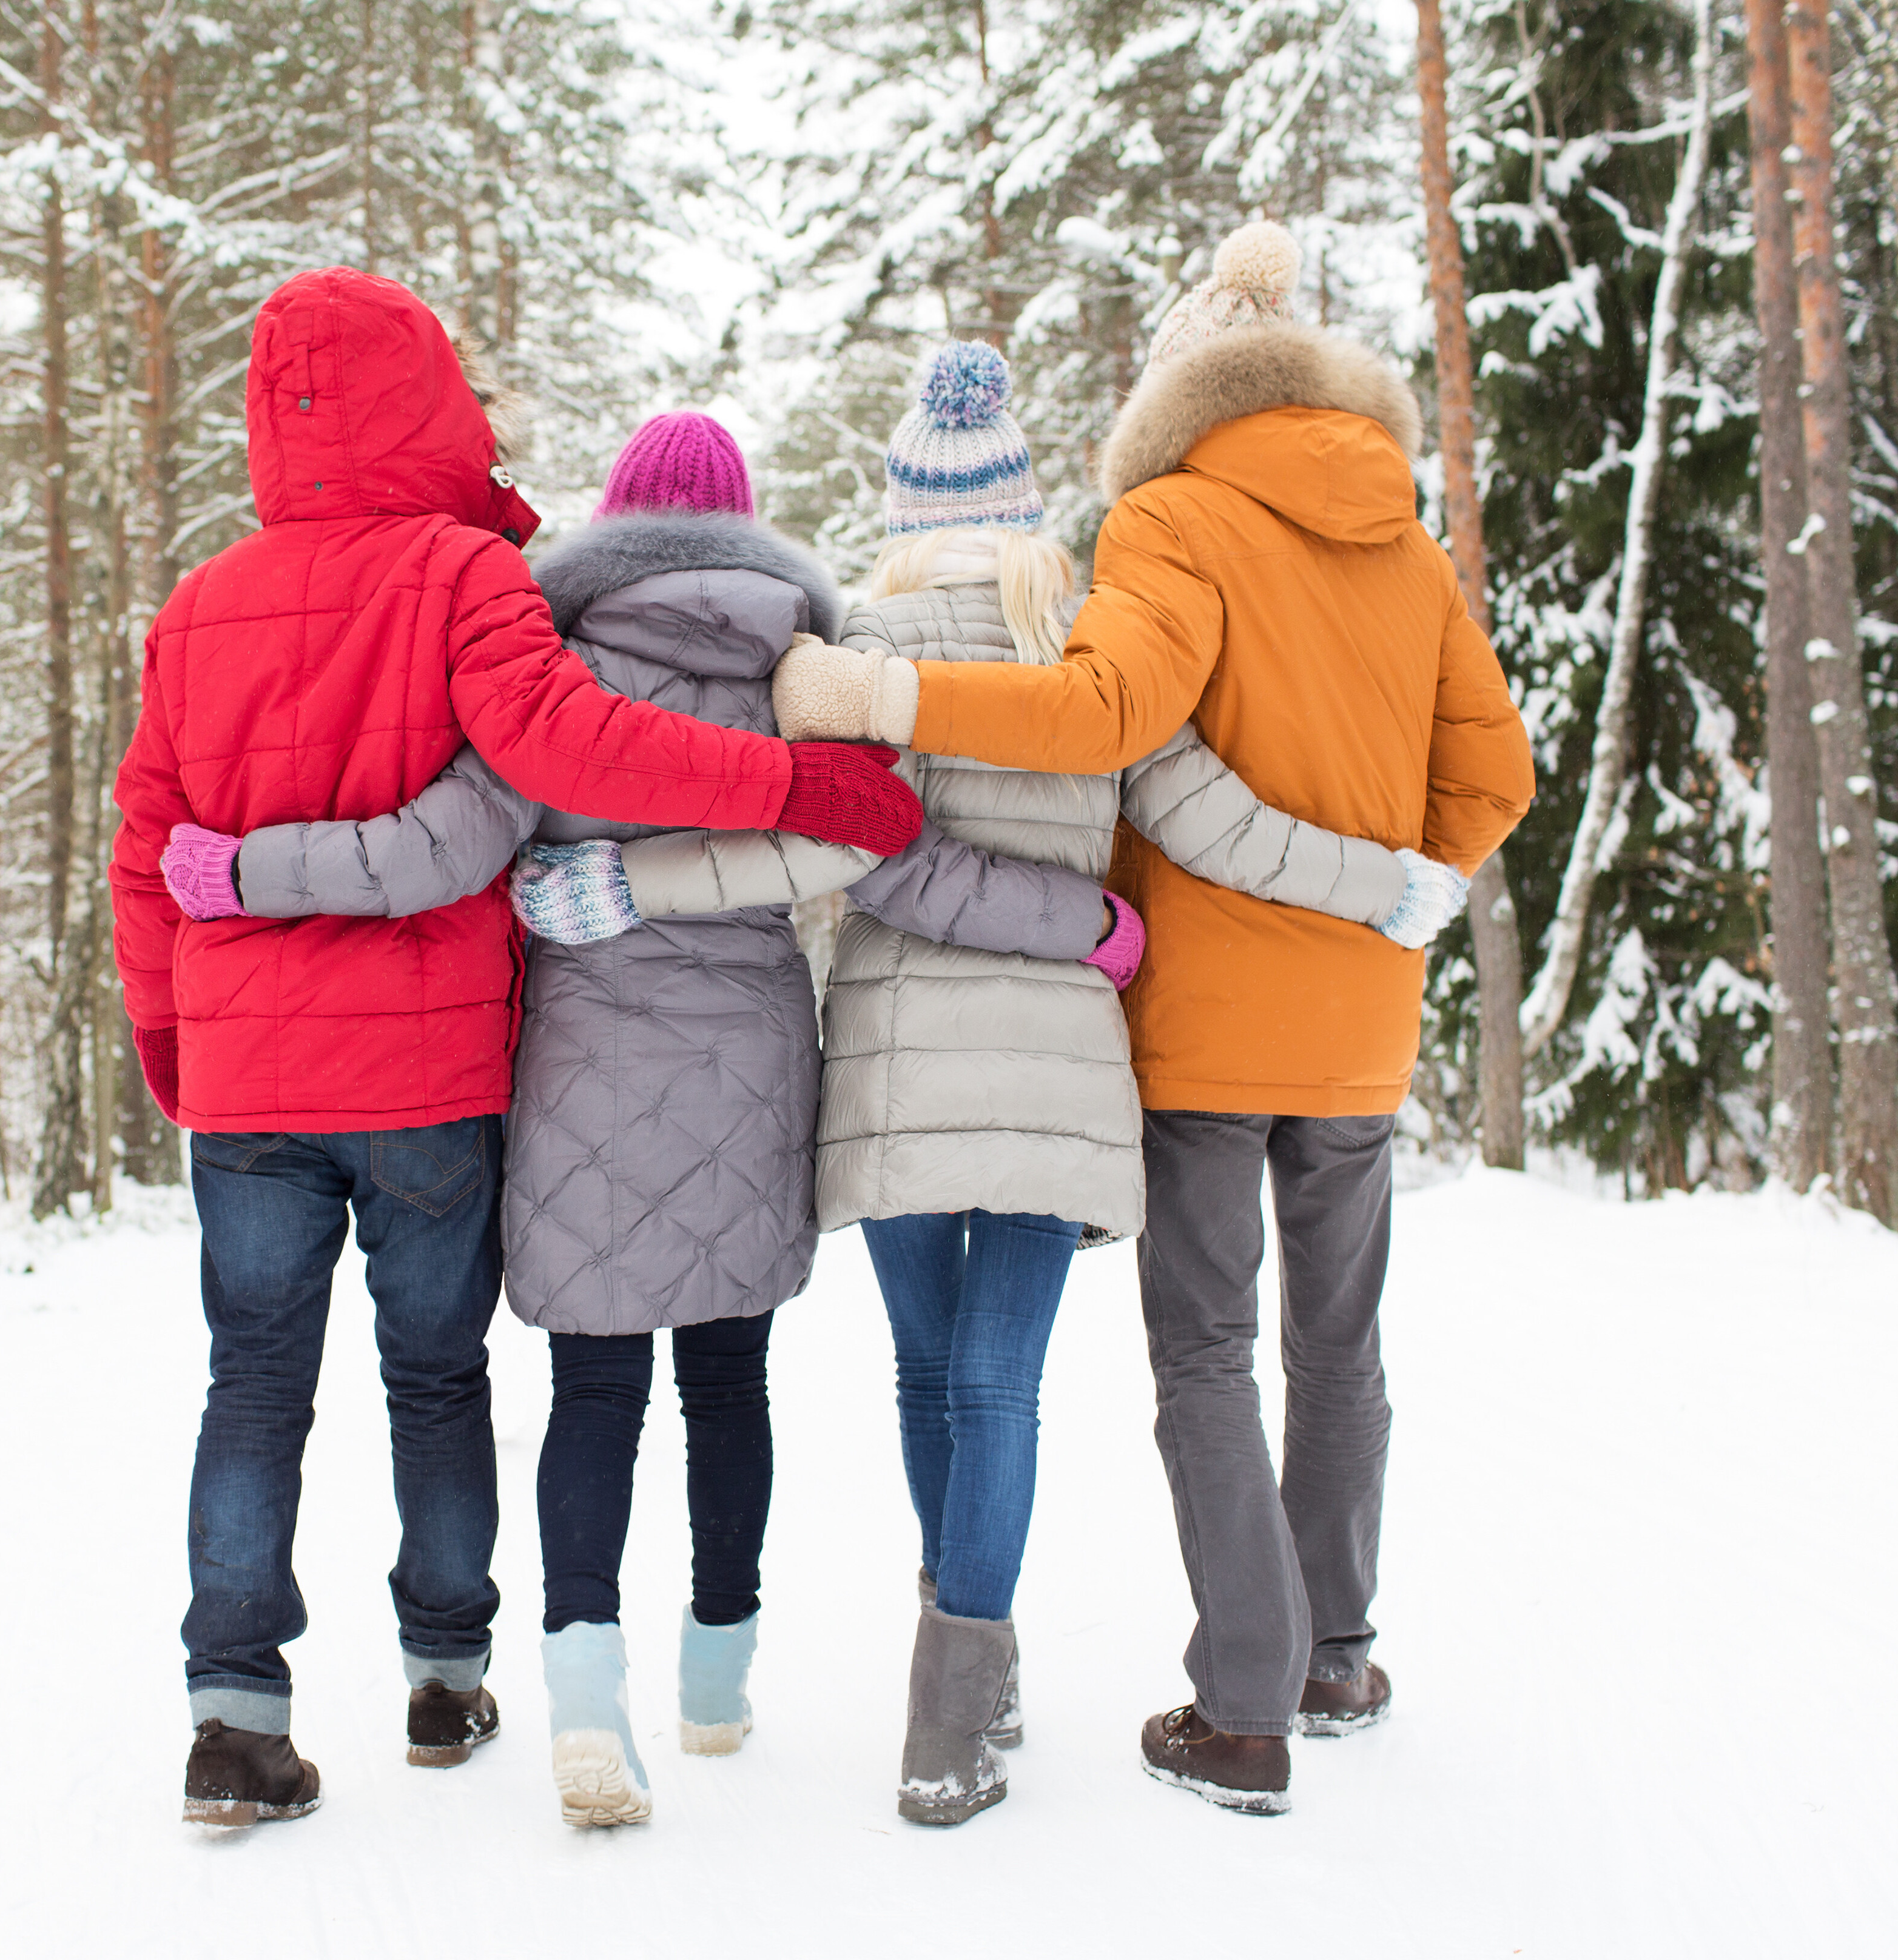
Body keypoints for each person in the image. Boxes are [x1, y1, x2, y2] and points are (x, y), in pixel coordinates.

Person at [179, 409, 1126, 1828]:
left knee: (595, 1389)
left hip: (582, 1072)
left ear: (613, 529)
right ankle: (717, 1687)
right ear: (748, 534)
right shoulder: (798, 678)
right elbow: (862, 840)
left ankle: (579, 1701)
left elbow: (444, 841)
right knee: (727, 1384)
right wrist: (1092, 924)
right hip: (750, 1062)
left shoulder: (540, 672)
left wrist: (251, 867)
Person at [109, 270, 924, 1829]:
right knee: (434, 1374)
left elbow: (146, 847)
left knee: (251, 1382)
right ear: (425, 396)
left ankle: (234, 1714)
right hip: (422, 1076)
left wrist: (172, 1035)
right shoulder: (463, 577)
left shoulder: (198, 607)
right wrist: (790, 785)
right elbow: (575, 746)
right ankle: (443, 1675)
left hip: (248, 1081)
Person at [773, 226, 1535, 1817]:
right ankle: (1336, 1656)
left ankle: (1242, 1709)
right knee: (1342, 1344)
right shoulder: (1404, 544)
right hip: (1358, 1026)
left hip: (1195, 1018)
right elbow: (1496, 780)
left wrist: (889, 701)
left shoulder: (1169, 522)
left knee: (1205, 1351)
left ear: (1182, 393)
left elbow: (1108, 723)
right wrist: (1405, 887)